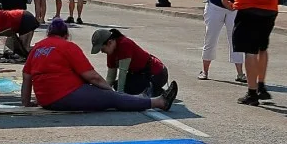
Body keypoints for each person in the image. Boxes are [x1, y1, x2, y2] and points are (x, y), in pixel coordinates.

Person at [22, 18, 177, 112]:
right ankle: (159, 102)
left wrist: (27, 102)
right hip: (65, 94)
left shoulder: (37, 47)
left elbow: (27, 77)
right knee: (113, 98)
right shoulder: (67, 46)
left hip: (46, 98)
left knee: (118, 92)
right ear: (66, 35)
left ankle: (142, 97)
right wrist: (111, 93)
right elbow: (93, 77)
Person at [91, 28, 169, 97]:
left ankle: (157, 91)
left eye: (102, 49)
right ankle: (149, 88)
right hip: (138, 74)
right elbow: (110, 77)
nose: (101, 52)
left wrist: (119, 96)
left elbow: (122, 73)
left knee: (129, 90)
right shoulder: (111, 51)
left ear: (110, 42)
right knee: (117, 85)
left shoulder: (124, 44)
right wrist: (105, 93)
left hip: (157, 74)